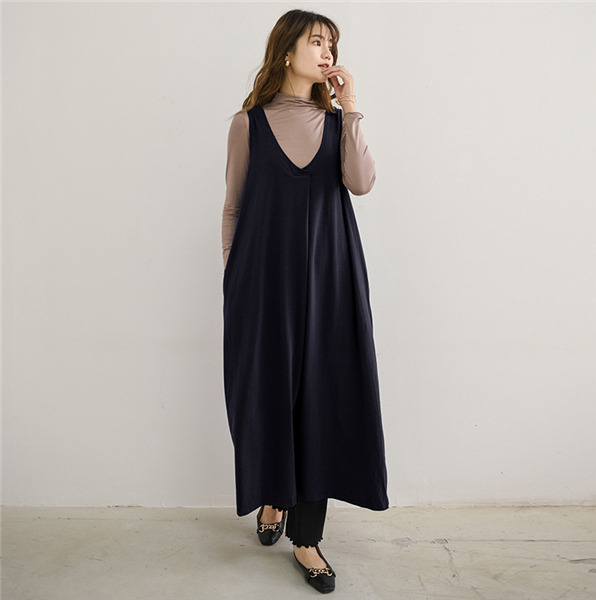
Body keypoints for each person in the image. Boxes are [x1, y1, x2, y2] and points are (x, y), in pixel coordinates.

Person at [221, 9, 389, 594]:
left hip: (330, 281)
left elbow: (361, 183)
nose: (326, 52)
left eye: (332, 44)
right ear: (286, 50)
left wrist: (351, 107)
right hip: (261, 283)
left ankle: (307, 538)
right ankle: (274, 497)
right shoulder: (248, 124)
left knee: (323, 398)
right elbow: (233, 206)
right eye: (316, 41)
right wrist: (233, 278)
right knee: (269, 393)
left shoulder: (338, 123)